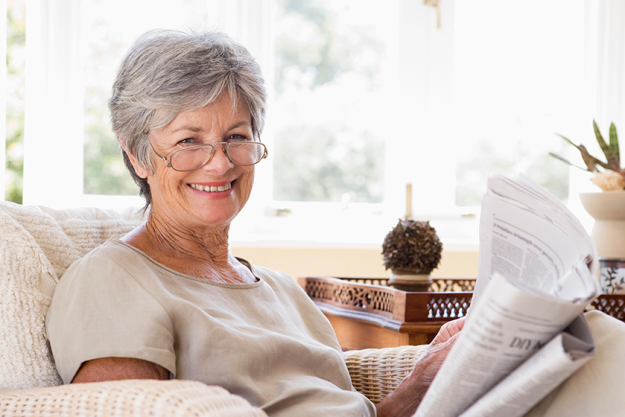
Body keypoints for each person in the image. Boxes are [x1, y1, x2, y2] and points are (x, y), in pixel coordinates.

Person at [46, 29, 464, 417]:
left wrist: (422, 381)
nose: (220, 162)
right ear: (137, 155)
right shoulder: (113, 278)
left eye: (236, 136)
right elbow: (120, 409)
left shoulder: (286, 292)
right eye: (189, 141)